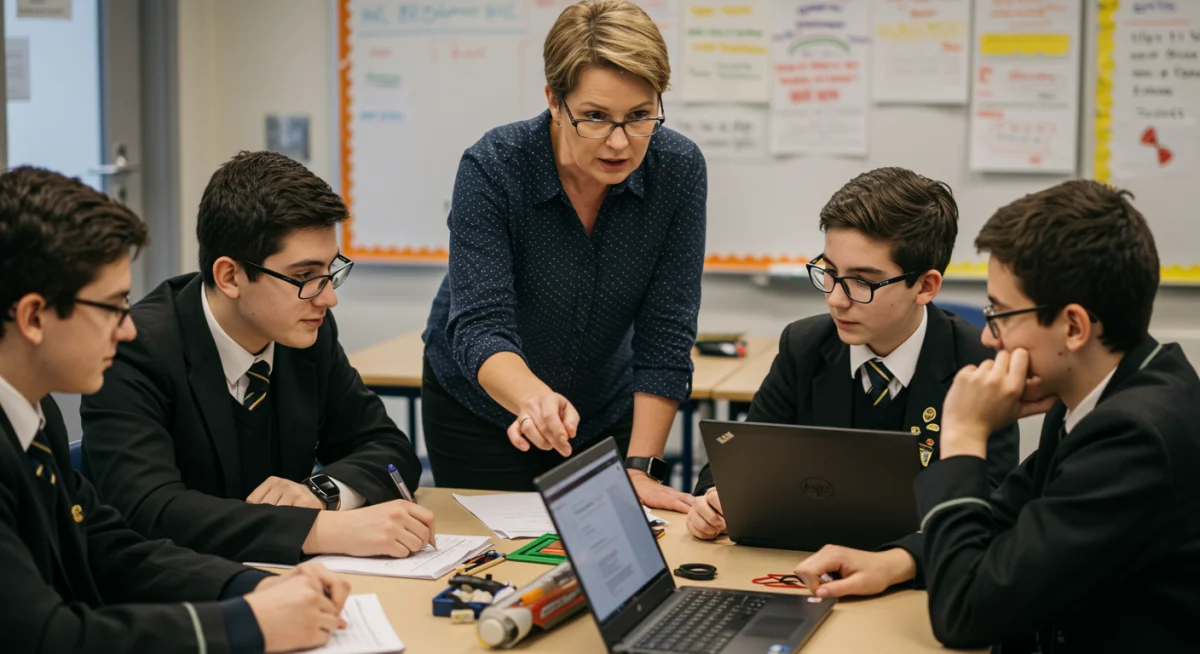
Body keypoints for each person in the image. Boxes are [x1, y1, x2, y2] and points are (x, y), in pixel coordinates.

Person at [796, 180, 1200, 652]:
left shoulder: (1135, 436)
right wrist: (901, 560)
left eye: (1001, 314)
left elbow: (966, 612)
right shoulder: (1107, 387)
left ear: (1073, 327)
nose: (989, 338)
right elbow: (1009, 516)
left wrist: (964, 435)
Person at [0, 165, 352, 653]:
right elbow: (47, 637)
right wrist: (244, 626)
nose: (126, 329)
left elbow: (107, 545)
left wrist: (248, 588)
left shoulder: (35, 417)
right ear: (34, 317)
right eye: (110, 307)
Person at [81, 151, 433, 564]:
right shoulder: (135, 349)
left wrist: (322, 492)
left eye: (330, 270)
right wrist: (318, 529)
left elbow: (388, 448)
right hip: (175, 595)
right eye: (304, 277)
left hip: (281, 575)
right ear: (229, 277)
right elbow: (149, 511)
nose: (328, 297)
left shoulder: (306, 333)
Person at [421, 0, 705, 511]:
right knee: (494, 569)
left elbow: (667, 330)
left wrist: (641, 468)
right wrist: (532, 398)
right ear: (555, 101)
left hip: (603, 407)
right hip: (483, 414)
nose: (619, 143)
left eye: (639, 116)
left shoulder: (677, 170)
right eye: (595, 117)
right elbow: (480, 325)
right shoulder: (495, 167)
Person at [687, 167, 1019, 541]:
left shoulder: (978, 363)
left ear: (925, 286)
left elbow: (989, 508)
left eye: (862, 281)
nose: (835, 299)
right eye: (829, 272)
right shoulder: (805, 345)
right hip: (807, 562)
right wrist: (713, 500)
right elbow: (738, 461)